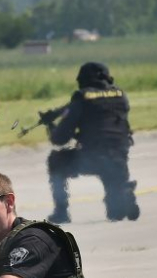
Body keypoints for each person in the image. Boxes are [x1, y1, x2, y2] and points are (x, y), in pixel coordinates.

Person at [43, 62, 140, 223]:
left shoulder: (81, 97)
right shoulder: (120, 95)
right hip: (119, 159)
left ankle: (61, 212)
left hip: (93, 157)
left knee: (56, 161)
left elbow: (60, 138)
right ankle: (124, 191)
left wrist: (51, 126)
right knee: (115, 214)